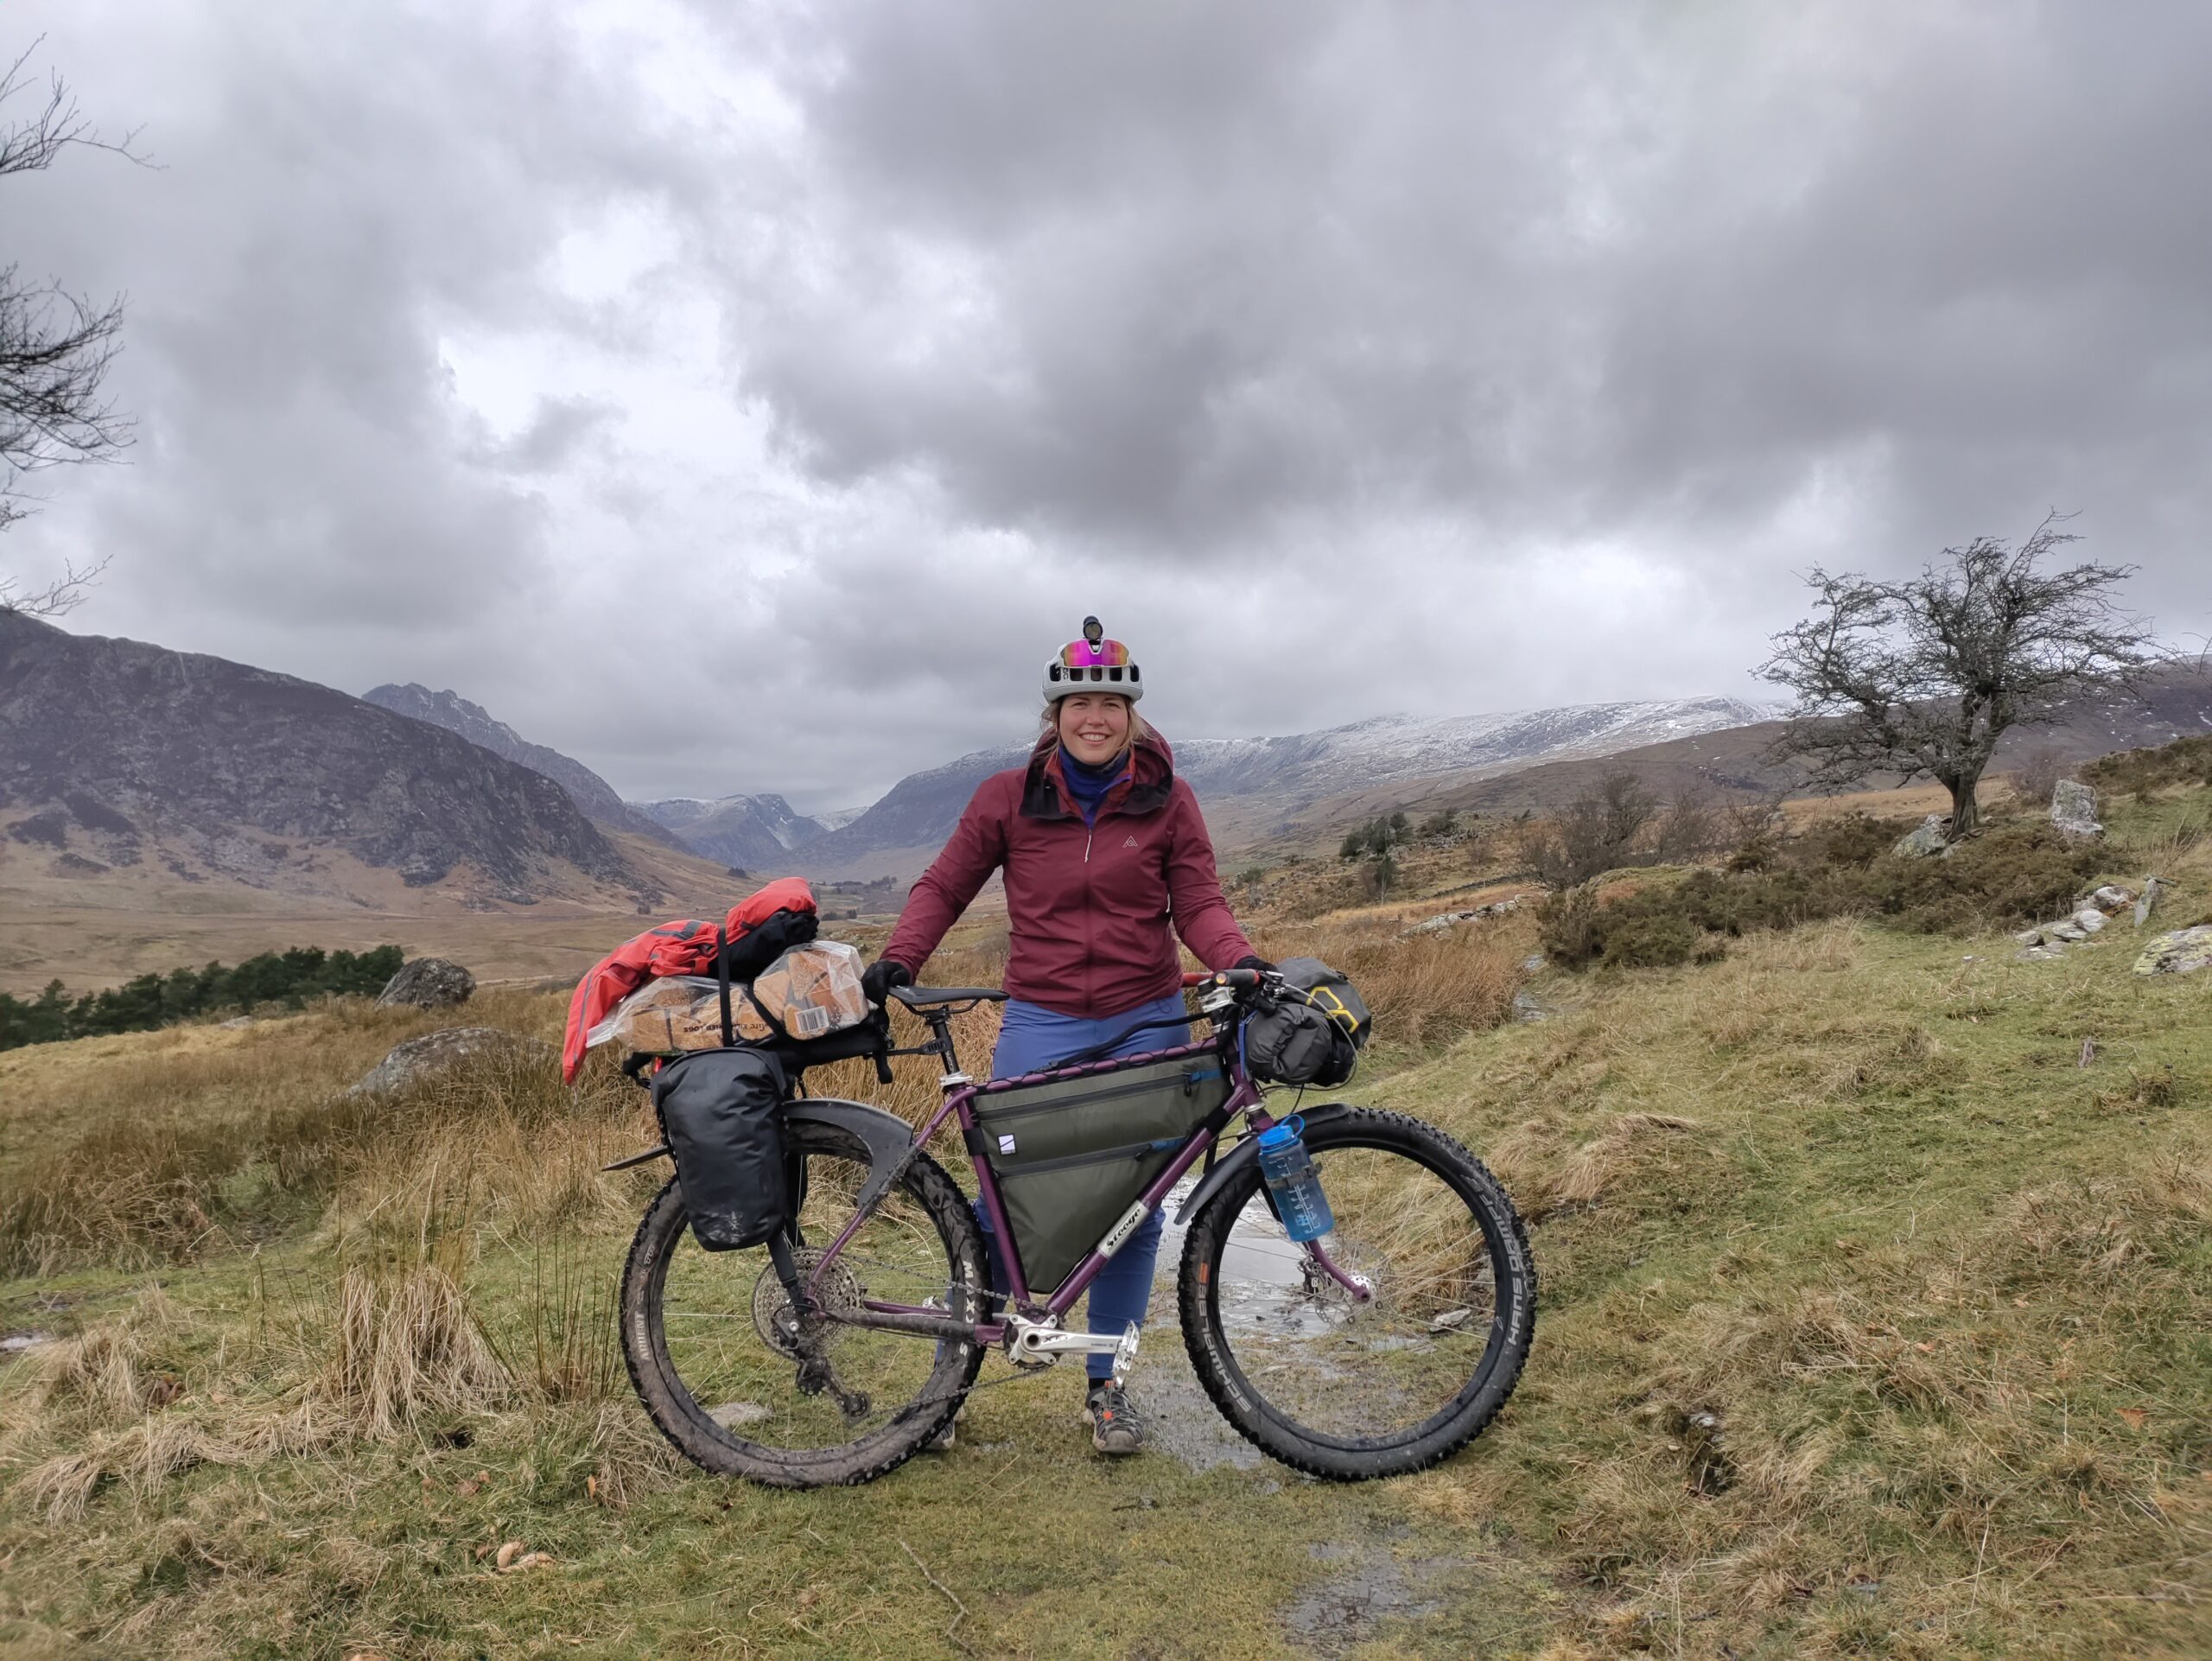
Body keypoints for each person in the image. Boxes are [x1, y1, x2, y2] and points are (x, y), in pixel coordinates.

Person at [862, 618, 1268, 1455]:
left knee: (1136, 1204)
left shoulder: (1168, 797)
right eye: (1079, 700)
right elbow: (945, 882)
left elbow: (1196, 901)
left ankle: (1106, 1387)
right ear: (1055, 713)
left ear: (1131, 713)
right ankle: (950, 1377)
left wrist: (1237, 958)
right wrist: (899, 955)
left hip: (1147, 1016)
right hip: (1042, 1021)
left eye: (1110, 702)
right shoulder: (1007, 797)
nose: (1095, 715)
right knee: (1008, 1202)